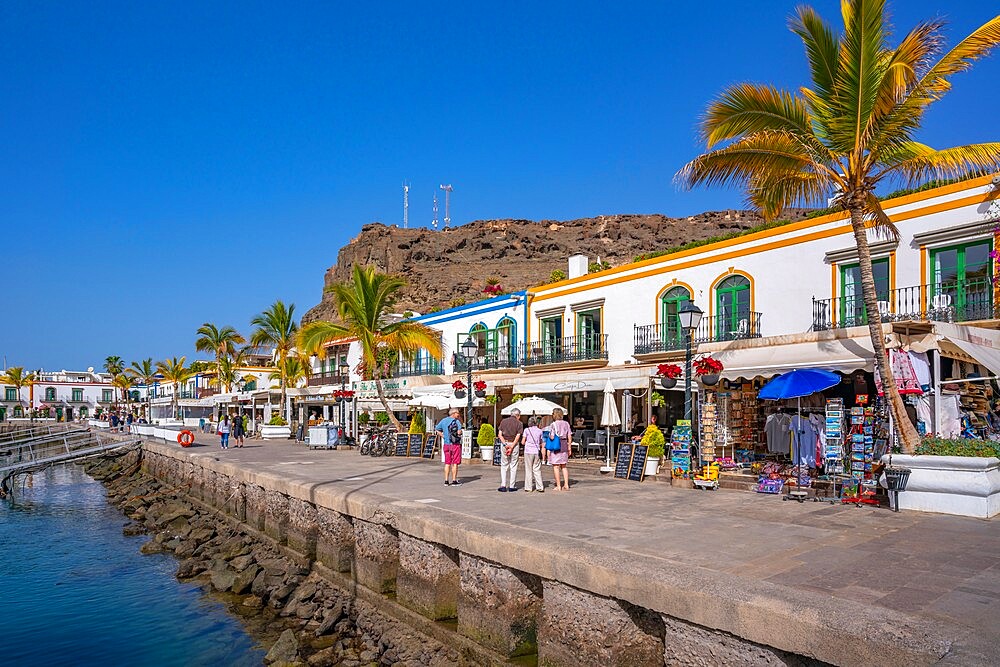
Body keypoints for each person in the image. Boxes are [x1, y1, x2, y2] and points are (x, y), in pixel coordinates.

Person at [435, 408, 463, 486]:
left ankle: (446, 481)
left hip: (446, 445)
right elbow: (459, 432)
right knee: (455, 463)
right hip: (455, 444)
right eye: (458, 413)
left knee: (447, 463)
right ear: (454, 413)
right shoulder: (457, 422)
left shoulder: (443, 421)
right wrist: (460, 433)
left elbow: (437, 430)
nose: (458, 414)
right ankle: (454, 481)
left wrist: (443, 436)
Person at [497, 408, 524, 492]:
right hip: (514, 444)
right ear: (518, 415)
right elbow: (518, 436)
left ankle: (503, 485)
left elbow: (500, 434)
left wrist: (505, 444)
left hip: (505, 443)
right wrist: (512, 446)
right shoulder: (519, 423)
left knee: (504, 464)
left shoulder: (503, 421)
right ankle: (512, 486)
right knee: (513, 464)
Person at [547, 407, 573, 491]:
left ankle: (558, 486)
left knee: (556, 466)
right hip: (565, 444)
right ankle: (566, 484)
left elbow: (552, 436)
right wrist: (569, 446)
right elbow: (569, 435)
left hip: (556, 445)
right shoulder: (566, 423)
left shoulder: (553, 424)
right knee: (564, 466)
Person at [522, 416, 545, 493]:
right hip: (536, 451)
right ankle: (540, 486)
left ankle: (528, 487)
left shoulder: (526, 430)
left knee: (528, 469)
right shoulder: (540, 431)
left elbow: (522, 442)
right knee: (537, 469)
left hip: (528, 451)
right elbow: (541, 442)